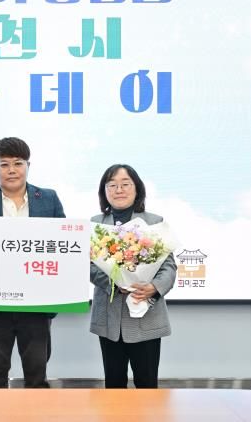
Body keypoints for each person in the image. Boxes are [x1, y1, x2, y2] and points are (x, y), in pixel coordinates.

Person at [0, 137, 66, 388]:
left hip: (36, 306)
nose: (11, 170)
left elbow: (63, 247)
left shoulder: (48, 199)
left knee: (37, 378)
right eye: (4, 164)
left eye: (18, 163)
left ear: (28, 166)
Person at [89, 164, 177, 388]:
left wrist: (154, 287)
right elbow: (88, 265)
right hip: (109, 318)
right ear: (104, 191)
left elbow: (168, 266)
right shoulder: (95, 224)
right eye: (112, 185)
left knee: (147, 386)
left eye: (125, 184)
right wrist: (114, 283)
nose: (119, 190)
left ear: (137, 188)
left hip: (146, 314)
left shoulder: (154, 222)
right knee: (113, 386)